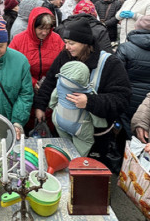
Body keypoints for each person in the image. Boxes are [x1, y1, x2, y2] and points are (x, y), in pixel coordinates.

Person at [33, 18, 131, 171]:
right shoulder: (65, 56)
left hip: (96, 137)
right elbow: (51, 81)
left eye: (71, 43)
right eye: (66, 42)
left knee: (87, 176)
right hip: (64, 129)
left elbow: (122, 99)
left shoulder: (110, 63)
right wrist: (40, 106)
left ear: (86, 43)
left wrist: (90, 101)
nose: (67, 47)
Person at [49, 61, 97, 156]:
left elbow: (53, 99)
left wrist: (52, 106)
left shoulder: (60, 83)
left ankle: (64, 156)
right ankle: (74, 160)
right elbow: (95, 109)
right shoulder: (88, 92)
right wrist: (99, 123)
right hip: (79, 126)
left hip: (59, 119)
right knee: (85, 142)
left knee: (65, 143)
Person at [116, 15, 150, 139]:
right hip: (148, 103)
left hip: (128, 97)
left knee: (125, 134)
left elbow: (117, 76)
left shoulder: (125, 48)